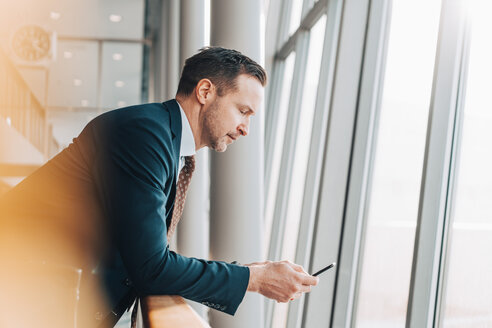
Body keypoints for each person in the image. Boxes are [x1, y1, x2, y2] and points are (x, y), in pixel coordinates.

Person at [0, 47, 318, 327]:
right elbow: (150, 266)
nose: (246, 129)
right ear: (205, 91)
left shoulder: (165, 139)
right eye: (243, 111)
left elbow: (148, 253)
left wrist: (249, 272)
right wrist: (254, 279)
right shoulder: (145, 135)